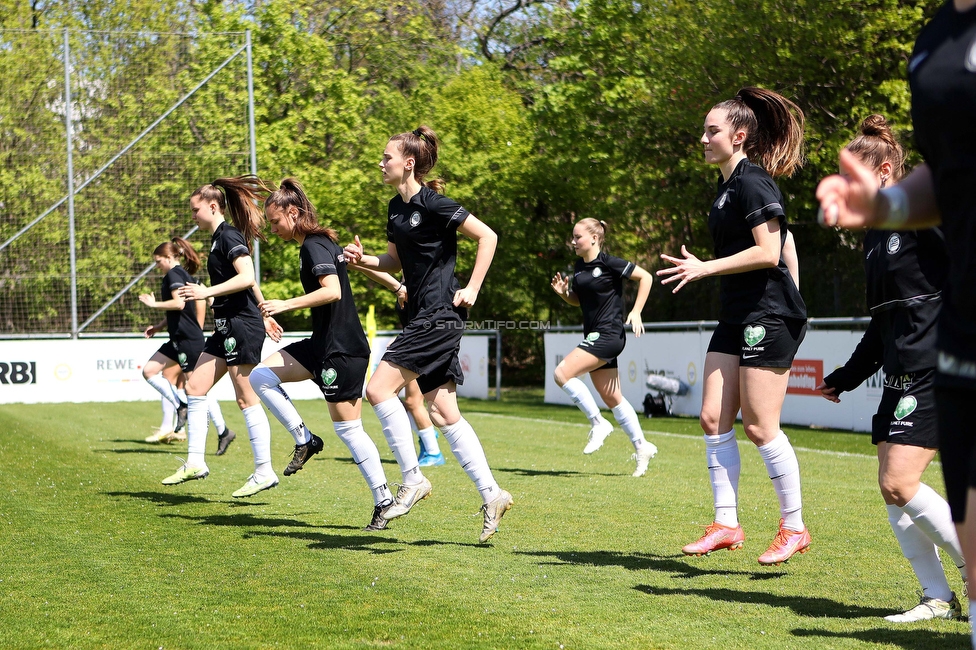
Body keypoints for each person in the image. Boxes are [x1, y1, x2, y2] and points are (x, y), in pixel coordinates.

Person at [817, 1, 976, 638]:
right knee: (892, 487)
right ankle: (938, 595)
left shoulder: (924, 232)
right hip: (904, 369)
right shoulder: (937, 35)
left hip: (936, 361)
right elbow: (883, 319)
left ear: (886, 168)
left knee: (899, 479)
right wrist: (849, 376)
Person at [657, 87, 810, 566]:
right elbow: (786, 248)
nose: (702, 138)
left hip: (766, 315)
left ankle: (794, 527)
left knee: (761, 427)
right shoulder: (726, 189)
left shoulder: (753, 182)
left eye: (711, 130)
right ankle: (727, 523)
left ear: (738, 136)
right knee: (711, 418)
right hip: (737, 314)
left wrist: (707, 268)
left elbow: (769, 251)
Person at [344, 125, 513, 543]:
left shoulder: (435, 204)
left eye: (386, 157)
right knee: (442, 412)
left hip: (440, 315)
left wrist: (472, 287)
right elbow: (393, 263)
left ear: (409, 163)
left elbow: (488, 236)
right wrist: (361, 259)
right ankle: (493, 494)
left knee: (379, 390)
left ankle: (413, 479)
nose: (380, 163)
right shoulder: (394, 209)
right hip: (418, 315)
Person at [247, 177, 398, 530]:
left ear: (293, 213)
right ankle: (304, 438)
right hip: (322, 345)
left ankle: (384, 499)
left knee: (349, 429)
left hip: (342, 350)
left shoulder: (315, 245)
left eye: (275, 221)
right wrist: (397, 285)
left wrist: (285, 303)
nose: (273, 228)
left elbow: (332, 291)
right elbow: (354, 271)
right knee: (261, 376)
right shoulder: (322, 242)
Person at [161, 176, 283, 498]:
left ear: (212, 206)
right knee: (195, 385)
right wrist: (265, 310)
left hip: (241, 325)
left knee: (246, 397)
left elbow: (248, 276)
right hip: (226, 324)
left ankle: (264, 471)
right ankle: (195, 462)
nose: (193, 216)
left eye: (195, 210)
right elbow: (250, 283)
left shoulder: (228, 236)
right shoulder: (218, 240)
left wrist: (208, 291)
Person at [550, 218, 657, 476]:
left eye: (578, 237)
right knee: (612, 397)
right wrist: (565, 294)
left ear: (594, 238)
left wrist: (637, 311)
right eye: (572, 237)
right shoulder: (578, 267)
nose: (573, 242)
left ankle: (599, 423)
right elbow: (580, 301)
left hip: (608, 334)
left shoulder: (609, 263)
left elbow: (645, 277)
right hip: (595, 334)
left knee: (561, 374)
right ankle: (642, 447)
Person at [140, 238, 235, 451]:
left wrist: (154, 304)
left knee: (198, 388)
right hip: (177, 338)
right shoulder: (183, 274)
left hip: (188, 339)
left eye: (158, 261)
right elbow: (182, 309)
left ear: (168, 257)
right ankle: (180, 405)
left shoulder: (174, 274)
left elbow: (179, 303)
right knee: (149, 371)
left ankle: (223, 431)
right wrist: (159, 325)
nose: (157, 266)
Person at [357, 267, 447, 466]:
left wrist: (401, 341)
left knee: (414, 403)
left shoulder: (424, 284)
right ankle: (428, 442)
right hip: (412, 347)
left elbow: (425, 323)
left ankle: (433, 452)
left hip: (419, 350)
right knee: (409, 403)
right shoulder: (407, 284)